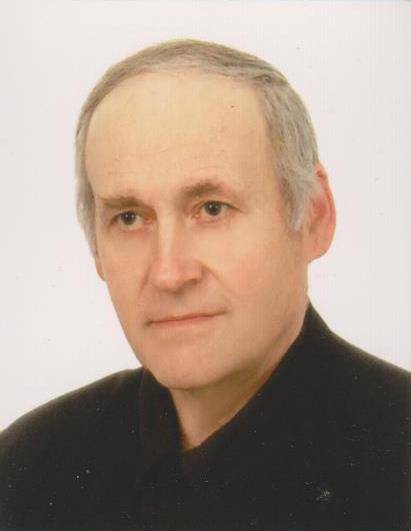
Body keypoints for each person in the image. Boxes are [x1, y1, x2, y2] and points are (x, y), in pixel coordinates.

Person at [0, 39, 409, 531]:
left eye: (212, 209)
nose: (169, 272)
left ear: (314, 216)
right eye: (129, 218)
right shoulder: (28, 468)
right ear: (96, 250)